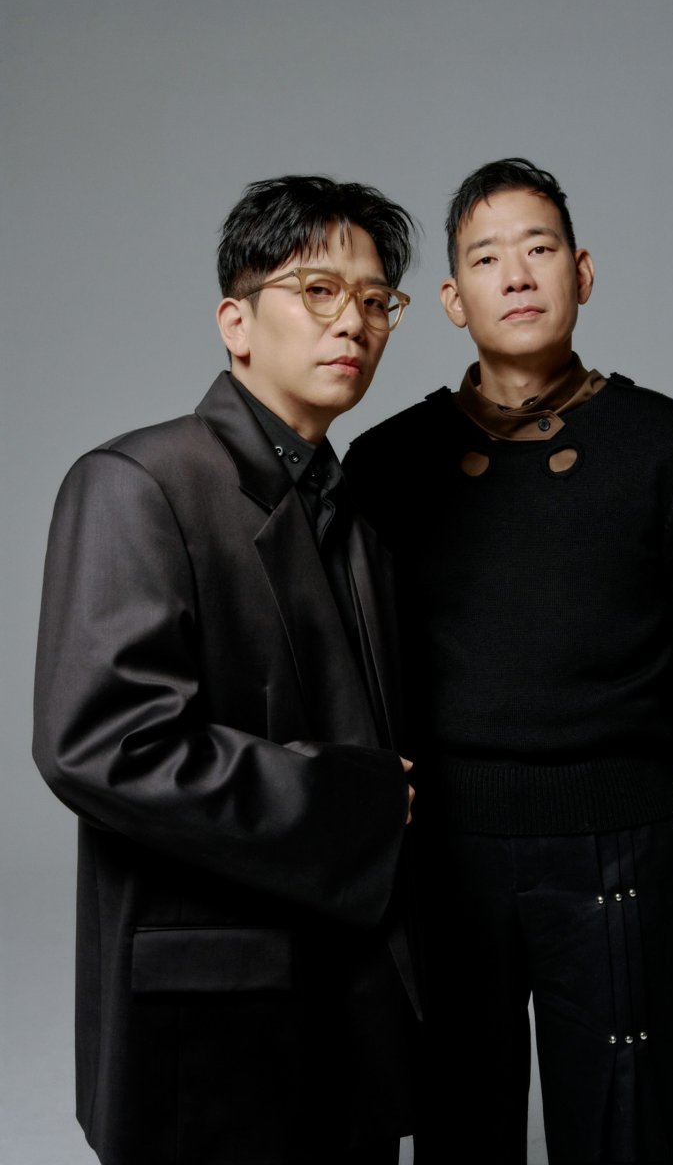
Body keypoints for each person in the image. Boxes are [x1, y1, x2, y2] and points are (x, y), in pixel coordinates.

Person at [343, 158, 673, 1164]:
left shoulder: (666, 444)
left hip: (616, 845)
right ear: (450, 299)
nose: (516, 274)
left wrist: (608, 777)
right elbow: (358, 659)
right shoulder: (387, 462)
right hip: (440, 847)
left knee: (633, 1126)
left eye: (539, 248)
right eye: (486, 258)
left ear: (582, 272)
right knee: (457, 1124)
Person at [33, 175, 420, 1165]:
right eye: (318, 291)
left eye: (376, 300)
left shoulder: (361, 519)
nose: (354, 323)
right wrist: (355, 799)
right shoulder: (137, 482)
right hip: (205, 1026)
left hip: (352, 1014)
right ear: (234, 323)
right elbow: (101, 743)